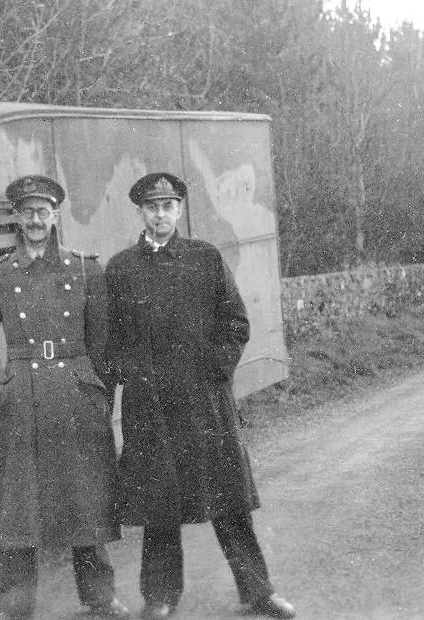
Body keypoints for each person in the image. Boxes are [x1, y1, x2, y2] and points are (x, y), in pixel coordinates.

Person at [104, 172, 296, 619]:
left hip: (205, 402)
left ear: (180, 210)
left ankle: (258, 591)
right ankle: (160, 598)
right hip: (149, 409)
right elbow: (109, 340)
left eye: (169, 206)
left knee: (229, 501)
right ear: (140, 213)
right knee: (159, 507)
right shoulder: (121, 268)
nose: (161, 215)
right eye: (153, 207)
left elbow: (236, 324)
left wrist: (214, 368)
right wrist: (129, 375)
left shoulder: (205, 259)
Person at [0, 174, 130, 619]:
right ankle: (15, 607)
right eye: (27, 213)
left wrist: (97, 392)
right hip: (22, 399)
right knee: (19, 504)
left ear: (55, 215)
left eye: (43, 212)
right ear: (16, 218)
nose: (35, 220)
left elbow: (104, 345)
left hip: (76, 395)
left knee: (87, 496)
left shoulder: (84, 269)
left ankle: (99, 598)